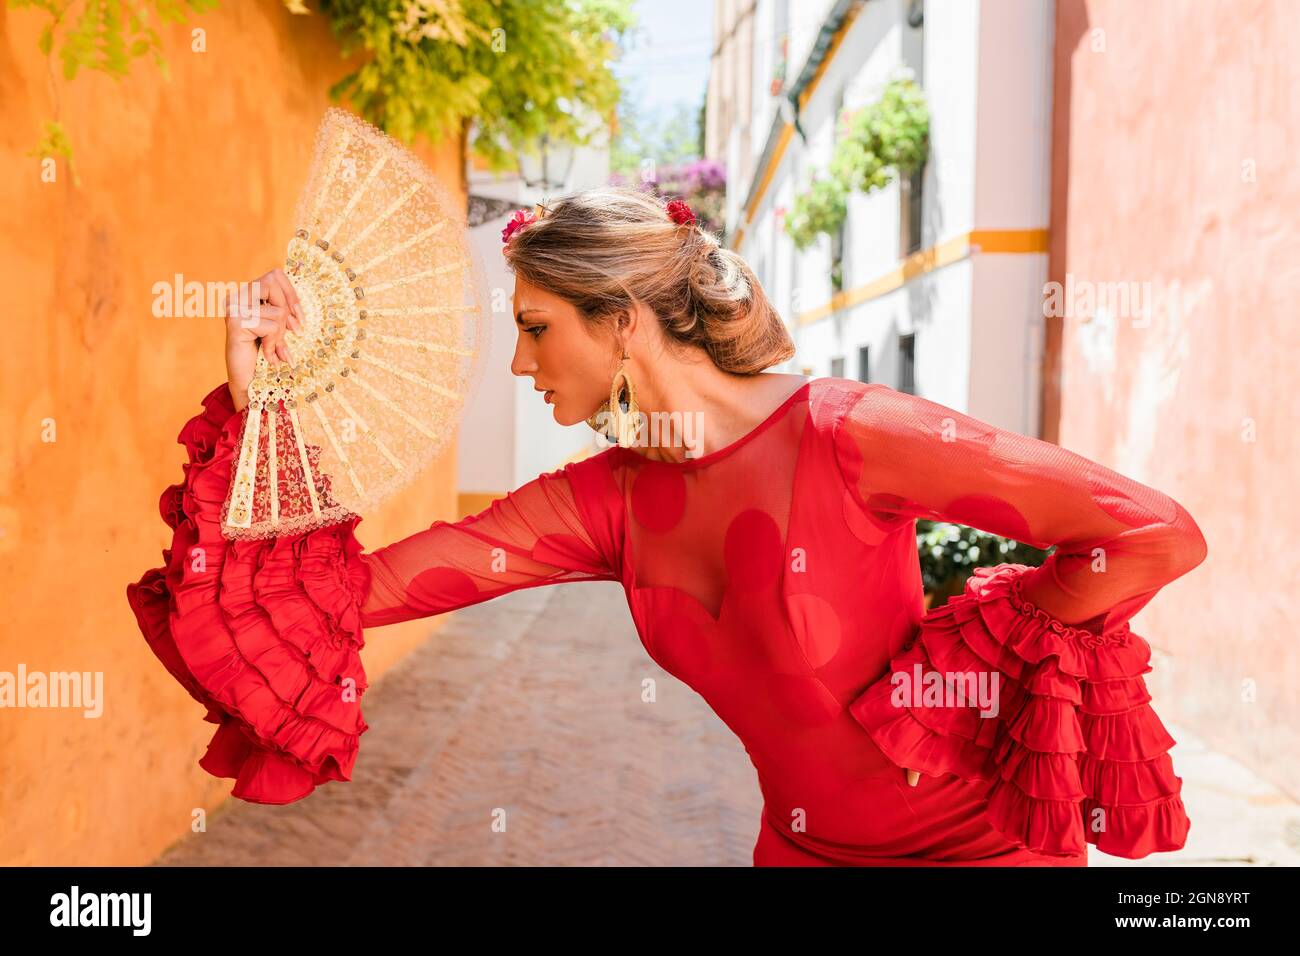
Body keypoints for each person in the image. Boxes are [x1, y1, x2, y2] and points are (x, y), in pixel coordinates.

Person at [127, 185, 1208, 866]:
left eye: (536, 326)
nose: (519, 361)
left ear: (623, 321)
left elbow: (1148, 532)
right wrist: (267, 404)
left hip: (979, 856)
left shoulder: (850, 432)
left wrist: (1002, 638)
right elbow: (348, 597)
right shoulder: (601, 502)